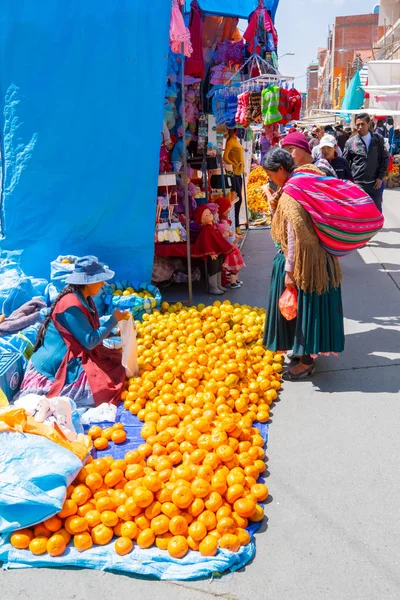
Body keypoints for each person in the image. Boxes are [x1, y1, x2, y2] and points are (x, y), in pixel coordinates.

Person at [262, 148, 344, 380]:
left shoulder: (291, 193)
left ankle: (306, 362)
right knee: (308, 309)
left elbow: (294, 235)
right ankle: (302, 353)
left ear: (281, 169)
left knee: (307, 310)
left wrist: (289, 271)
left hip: (306, 263)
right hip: (321, 259)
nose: (270, 178)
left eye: (270, 173)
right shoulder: (307, 178)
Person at [17, 257, 129, 407]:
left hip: (71, 354)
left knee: (117, 363)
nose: (103, 284)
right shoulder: (71, 306)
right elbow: (90, 341)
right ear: (88, 283)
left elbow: (88, 330)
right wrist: (112, 320)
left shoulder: (85, 298)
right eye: (99, 280)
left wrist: (113, 330)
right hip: (53, 367)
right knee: (106, 388)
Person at [343, 112, 390, 212]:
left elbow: (385, 159)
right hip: (357, 185)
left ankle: (376, 228)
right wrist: (348, 182)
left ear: (368, 124)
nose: (360, 127)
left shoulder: (378, 140)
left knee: (375, 211)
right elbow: (345, 164)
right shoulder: (350, 142)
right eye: (357, 124)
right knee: (358, 212)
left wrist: (380, 177)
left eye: (362, 124)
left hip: (374, 185)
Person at [223, 129, 245, 235]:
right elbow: (225, 157)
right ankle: (236, 225)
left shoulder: (235, 140)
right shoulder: (230, 142)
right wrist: (234, 164)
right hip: (233, 173)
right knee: (237, 199)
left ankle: (237, 225)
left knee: (238, 199)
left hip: (238, 173)